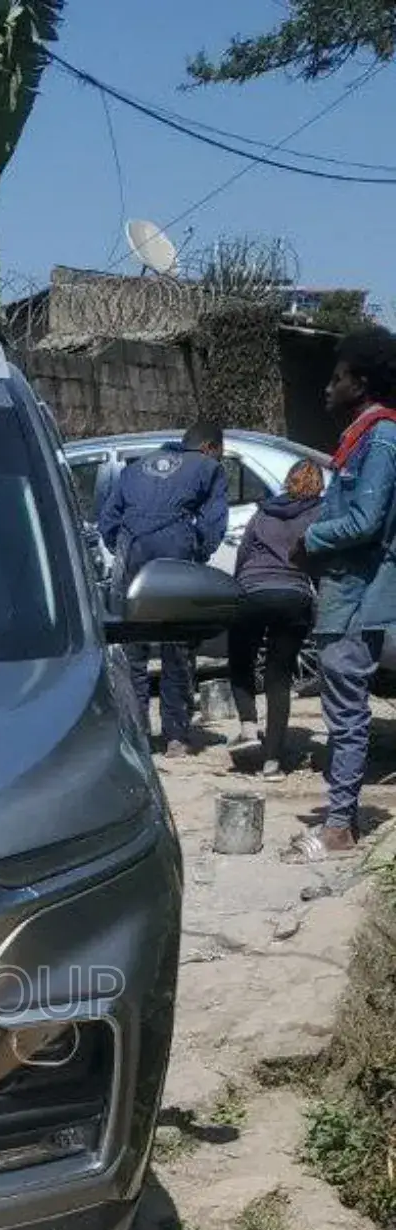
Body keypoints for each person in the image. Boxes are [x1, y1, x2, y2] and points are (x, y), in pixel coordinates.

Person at [286, 328, 396, 861]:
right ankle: (340, 817)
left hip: (358, 597)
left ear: (362, 382)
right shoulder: (361, 439)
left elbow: (366, 519)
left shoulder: (380, 439)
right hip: (345, 594)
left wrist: (311, 538)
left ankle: (339, 828)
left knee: (347, 713)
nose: (327, 389)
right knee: (342, 710)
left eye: (337, 378)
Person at [98, 421, 229, 756]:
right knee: (177, 646)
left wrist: (123, 549)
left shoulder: (134, 468)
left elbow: (108, 520)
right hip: (175, 553)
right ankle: (176, 735)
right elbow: (214, 523)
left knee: (134, 649)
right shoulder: (209, 468)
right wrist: (198, 551)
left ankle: (138, 734)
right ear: (209, 448)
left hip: (132, 553)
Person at [226, 458, 321, 779]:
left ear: (288, 481)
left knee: (241, 660)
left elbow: (243, 554)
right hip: (294, 596)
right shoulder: (320, 513)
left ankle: (248, 727)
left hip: (253, 591)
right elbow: (321, 557)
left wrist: (239, 588)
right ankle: (272, 763)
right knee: (278, 676)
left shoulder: (263, 511)